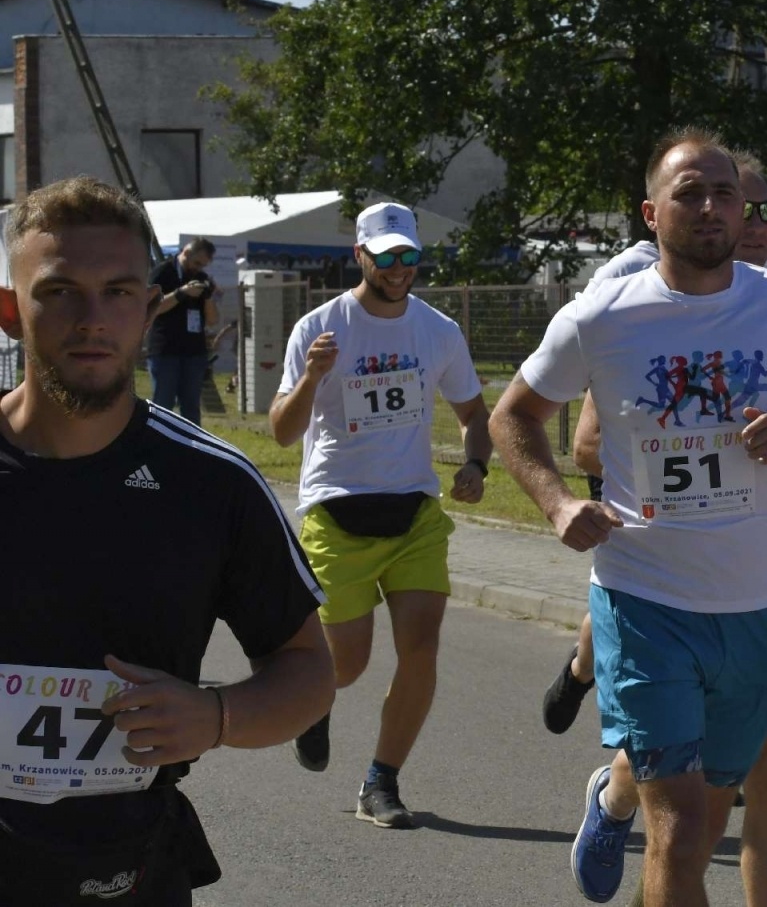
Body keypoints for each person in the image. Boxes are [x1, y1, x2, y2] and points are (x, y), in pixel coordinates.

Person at [491, 128, 767, 907]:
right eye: (689, 193)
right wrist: (559, 501)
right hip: (644, 600)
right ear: (650, 213)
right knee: (684, 830)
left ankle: (616, 813)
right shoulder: (603, 316)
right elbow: (513, 416)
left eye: (724, 194)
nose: (710, 208)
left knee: (703, 824)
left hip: (756, 607)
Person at [0, 176, 333, 905]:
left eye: (119, 291)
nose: (93, 318)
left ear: (149, 308)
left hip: (124, 870)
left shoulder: (213, 485)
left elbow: (308, 669)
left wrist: (216, 717)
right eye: (59, 292)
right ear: (8, 311)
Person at [270, 201, 492, 830]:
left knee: (420, 651)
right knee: (348, 664)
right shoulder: (321, 327)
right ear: (360, 256)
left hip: (415, 514)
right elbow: (282, 433)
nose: (399, 268)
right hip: (336, 512)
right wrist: (312, 377)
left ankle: (381, 781)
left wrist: (476, 467)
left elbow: (476, 415)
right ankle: (314, 704)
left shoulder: (437, 330)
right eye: (387, 256)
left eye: (409, 256)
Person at [146, 237, 220, 425]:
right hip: (165, 351)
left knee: (191, 408)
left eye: (203, 265)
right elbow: (152, 308)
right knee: (163, 405)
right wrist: (182, 293)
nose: (198, 268)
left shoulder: (201, 278)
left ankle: (192, 450)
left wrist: (208, 296)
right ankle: (157, 447)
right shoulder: (163, 272)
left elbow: (213, 320)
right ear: (186, 253)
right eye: (196, 263)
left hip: (194, 353)